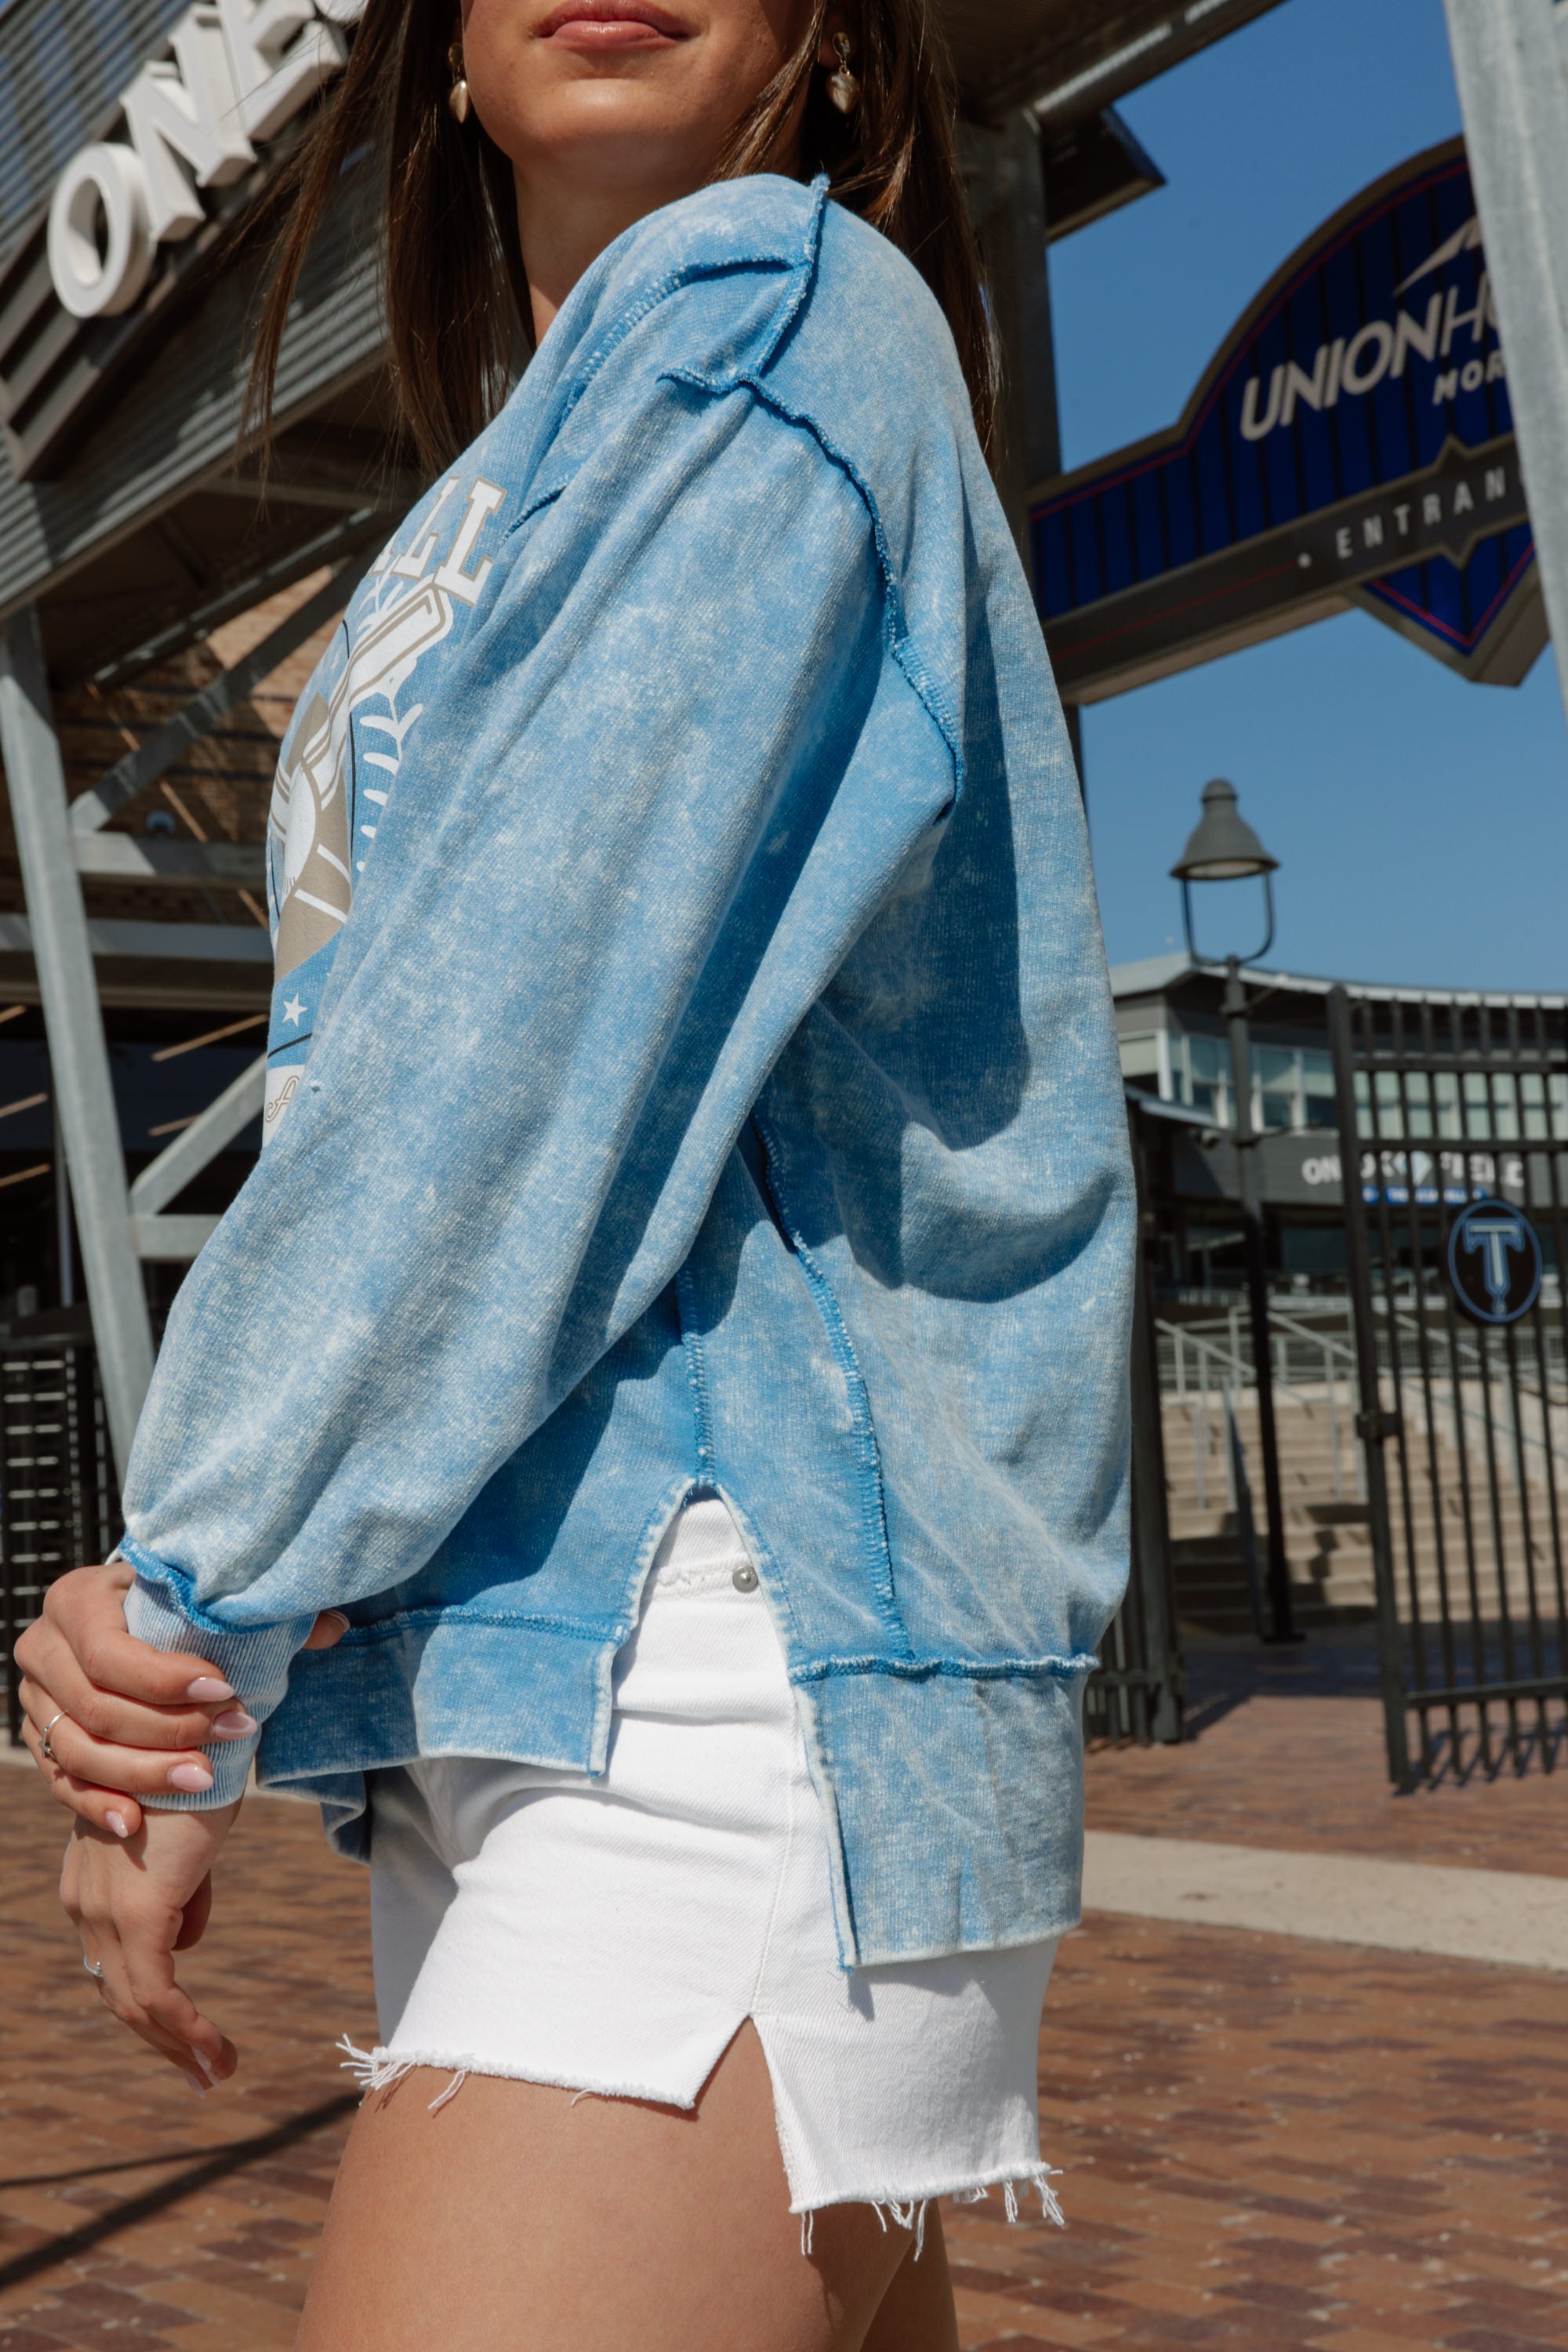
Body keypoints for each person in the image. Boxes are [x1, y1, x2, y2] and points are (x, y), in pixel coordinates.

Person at [15, 0, 1134, 2342]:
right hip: (552, 1668)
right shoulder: (515, 469)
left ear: (831, 37)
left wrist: (194, 1596)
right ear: (437, 52)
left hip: (723, 1644)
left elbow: (505, 1056)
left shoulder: (772, 314)